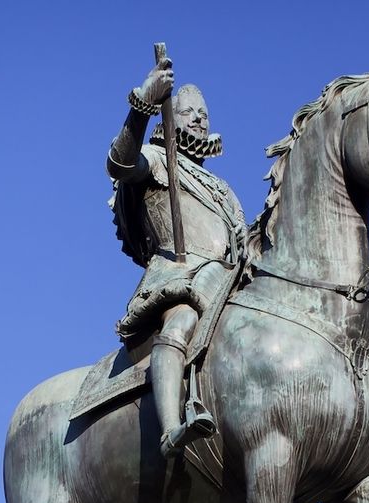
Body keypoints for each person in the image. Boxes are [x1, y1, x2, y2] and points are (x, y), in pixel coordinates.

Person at [107, 56, 247, 458]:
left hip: (226, 280)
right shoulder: (157, 159)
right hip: (180, 276)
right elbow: (120, 163)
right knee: (183, 319)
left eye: (204, 114)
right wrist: (142, 105)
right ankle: (171, 428)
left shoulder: (223, 190)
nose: (199, 119)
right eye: (188, 113)